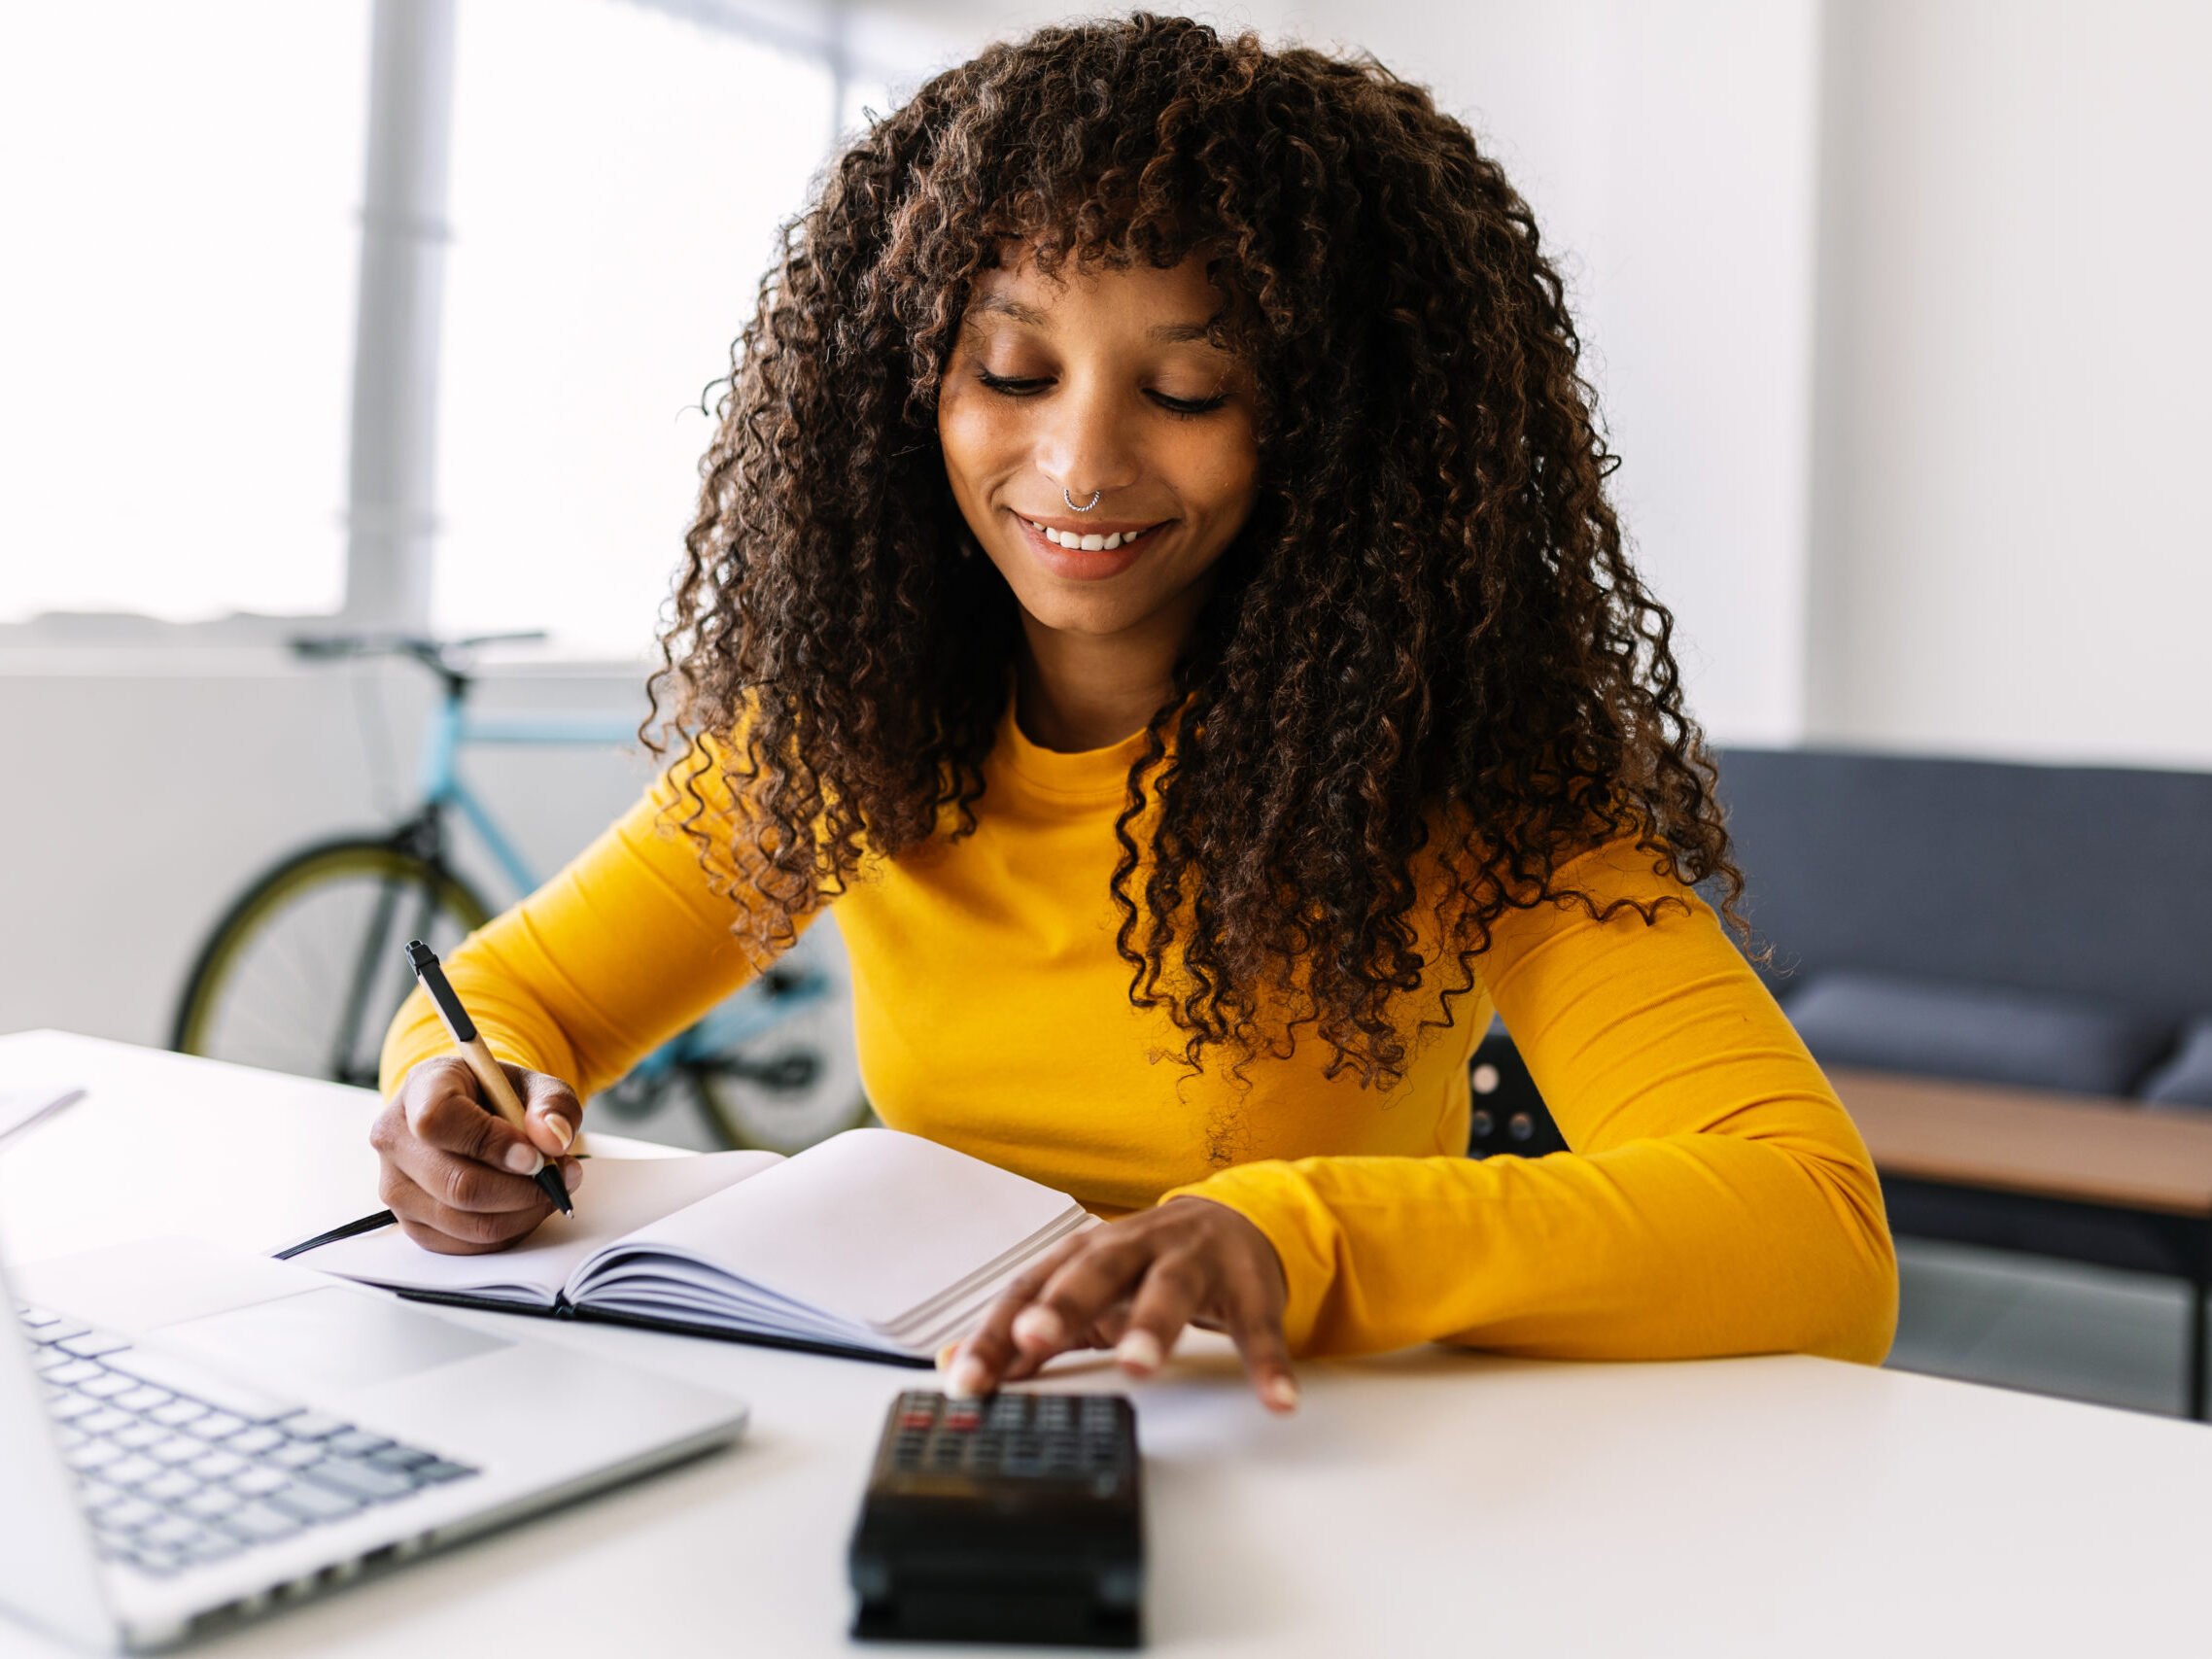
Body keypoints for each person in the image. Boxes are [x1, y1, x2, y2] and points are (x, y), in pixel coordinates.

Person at [371, 14, 1896, 1414]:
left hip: (1305, 1442)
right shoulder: (847, 734)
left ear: (1332, 432)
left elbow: (1813, 1227)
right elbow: (512, 1004)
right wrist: (459, 1100)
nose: (1080, 463)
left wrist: (1277, 1239)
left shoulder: (1468, 780)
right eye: (1013, 370)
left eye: (1184, 391)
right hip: (924, 1416)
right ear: (910, 387)